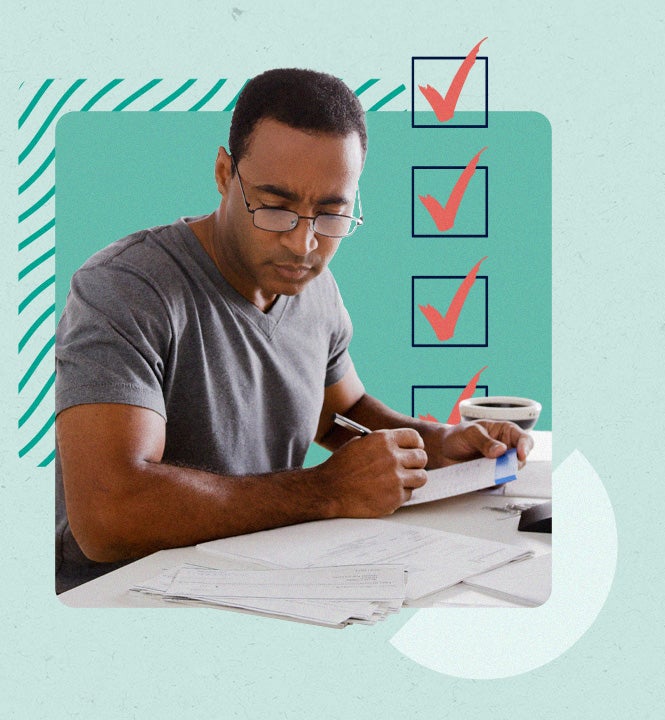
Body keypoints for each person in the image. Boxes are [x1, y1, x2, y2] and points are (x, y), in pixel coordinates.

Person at [54, 68, 531, 593]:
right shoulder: (125, 289)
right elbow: (107, 516)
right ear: (222, 173)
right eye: (276, 207)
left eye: (331, 214)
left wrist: (436, 443)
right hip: (121, 599)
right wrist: (324, 490)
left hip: (260, 584)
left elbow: (342, 412)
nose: (303, 244)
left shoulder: (311, 288)